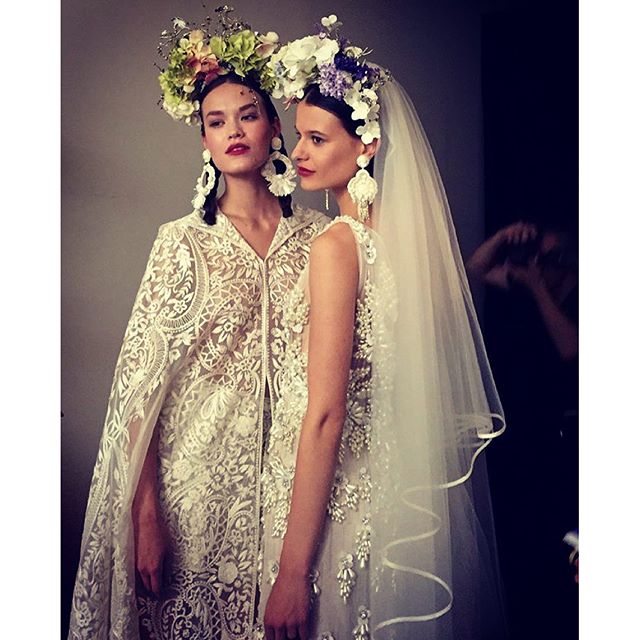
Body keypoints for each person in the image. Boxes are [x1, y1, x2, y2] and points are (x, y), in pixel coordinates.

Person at [67, 12, 328, 640]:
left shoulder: (321, 240)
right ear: (204, 141)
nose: (233, 130)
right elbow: (138, 390)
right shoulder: (181, 243)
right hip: (195, 500)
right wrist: (146, 516)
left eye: (248, 115)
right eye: (216, 122)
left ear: (274, 128)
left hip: (291, 500)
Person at [258, 16, 507, 640]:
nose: (300, 152)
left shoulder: (335, 246)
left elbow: (325, 413)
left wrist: (292, 571)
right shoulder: (403, 243)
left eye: (317, 138)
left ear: (365, 146)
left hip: (338, 505)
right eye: (300, 136)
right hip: (392, 494)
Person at [467, 221, 578, 639]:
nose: (534, 264)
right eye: (533, 255)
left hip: (564, 438)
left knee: (558, 538)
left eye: (544, 257)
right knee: (517, 534)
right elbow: (473, 270)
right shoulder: (525, 284)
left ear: (565, 262)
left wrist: (537, 288)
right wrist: (502, 238)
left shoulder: (578, 294)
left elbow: (571, 349)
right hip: (520, 431)